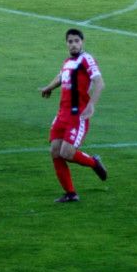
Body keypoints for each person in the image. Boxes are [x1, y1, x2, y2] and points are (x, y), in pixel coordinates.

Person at [40, 28, 109, 202]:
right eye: (70, 41)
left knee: (67, 153)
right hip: (61, 114)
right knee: (55, 151)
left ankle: (94, 162)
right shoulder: (67, 62)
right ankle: (71, 193)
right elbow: (62, 76)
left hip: (77, 116)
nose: (73, 44)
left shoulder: (87, 59)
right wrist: (49, 87)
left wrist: (91, 104)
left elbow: (100, 83)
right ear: (67, 44)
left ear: (82, 42)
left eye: (76, 41)